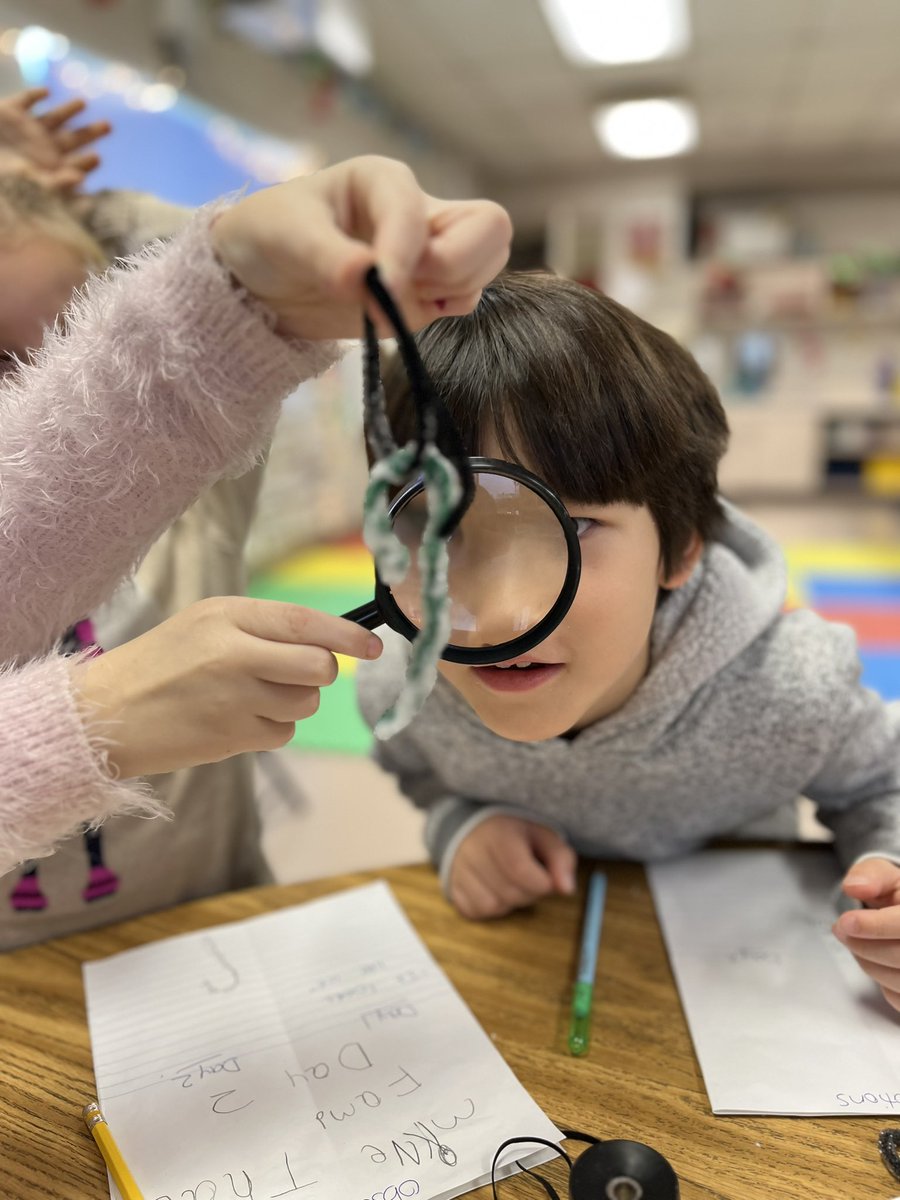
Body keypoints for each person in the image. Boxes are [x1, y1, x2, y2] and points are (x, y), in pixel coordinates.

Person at [0, 154, 512, 947]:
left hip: (216, 908)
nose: (40, 393)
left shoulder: (186, 484)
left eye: (71, 341)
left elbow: (175, 313)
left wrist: (54, 194)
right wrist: (94, 720)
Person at [357, 270, 900, 1014]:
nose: (505, 614)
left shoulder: (788, 687)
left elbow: (882, 783)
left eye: (576, 526)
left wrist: (889, 875)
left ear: (682, 549)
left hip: (744, 983)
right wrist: (462, 825)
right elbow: (423, 775)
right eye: (436, 529)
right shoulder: (403, 686)